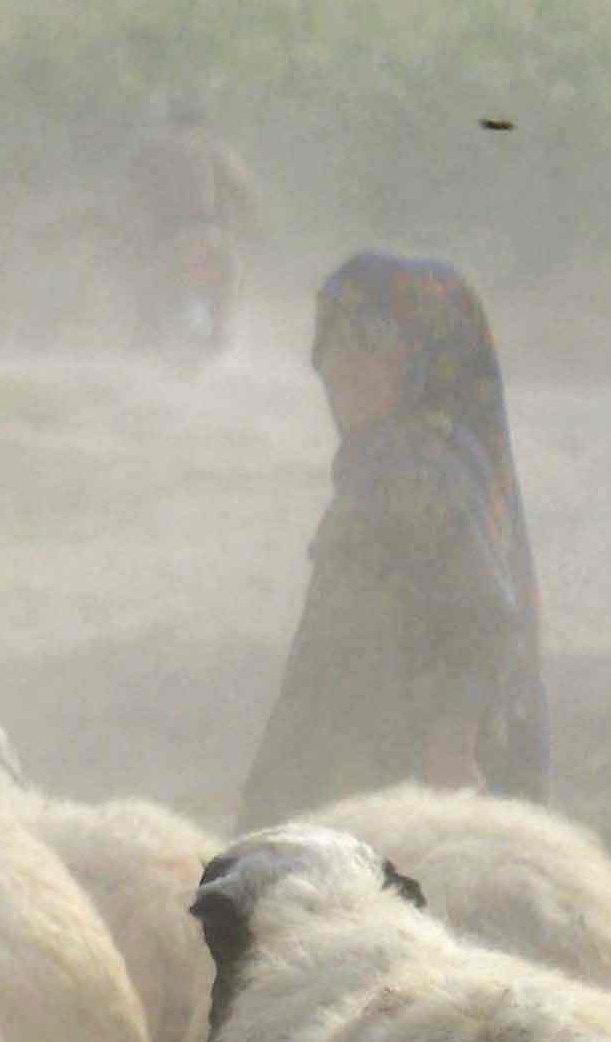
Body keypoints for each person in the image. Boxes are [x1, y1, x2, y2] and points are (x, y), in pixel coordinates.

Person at [234, 247, 547, 818]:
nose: (341, 366)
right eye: (330, 343)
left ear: (423, 357)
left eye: (368, 343)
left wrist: (451, 749)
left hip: (392, 786)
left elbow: (484, 618)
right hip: (360, 771)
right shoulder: (395, 461)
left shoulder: (415, 470)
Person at [119, 102, 258, 362]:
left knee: (143, 278)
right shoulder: (218, 151)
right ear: (201, 125)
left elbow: (132, 194)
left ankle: (147, 332)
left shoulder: (153, 152)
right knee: (232, 279)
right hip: (209, 232)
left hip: (167, 235)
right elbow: (244, 192)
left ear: (171, 124)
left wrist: (133, 226)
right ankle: (219, 329)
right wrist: (248, 226)